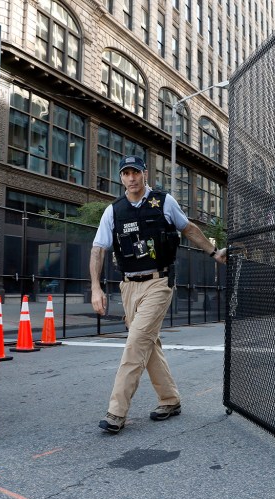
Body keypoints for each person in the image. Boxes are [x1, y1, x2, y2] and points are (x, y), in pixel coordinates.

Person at [90, 155, 227, 433]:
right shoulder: (113, 211)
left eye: (135, 173)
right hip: (128, 285)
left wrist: (213, 252)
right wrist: (95, 287)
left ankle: (117, 412)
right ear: (121, 178)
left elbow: (188, 228)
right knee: (149, 343)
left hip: (159, 282)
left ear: (144, 174)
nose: (131, 178)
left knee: (136, 342)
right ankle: (170, 399)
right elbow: (98, 249)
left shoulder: (164, 202)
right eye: (126, 173)